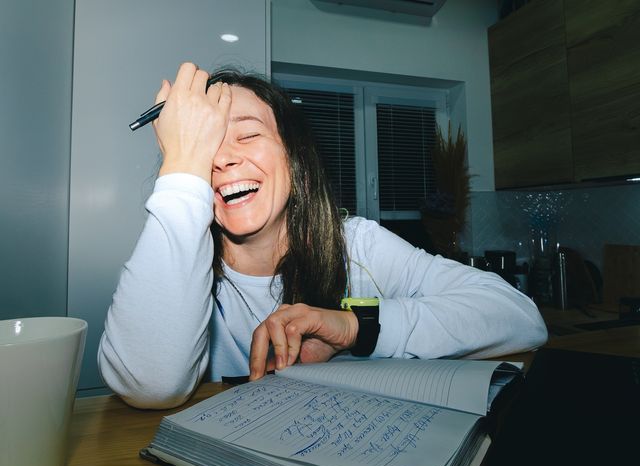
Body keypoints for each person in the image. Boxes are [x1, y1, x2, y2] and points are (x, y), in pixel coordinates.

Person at [98, 62, 547, 409]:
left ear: (294, 158)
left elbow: (520, 318)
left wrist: (355, 327)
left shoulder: (358, 245)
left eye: (247, 135)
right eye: (205, 146)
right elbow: (149, 385)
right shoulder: (172, 262)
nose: (221, 159)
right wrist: (181, 171)